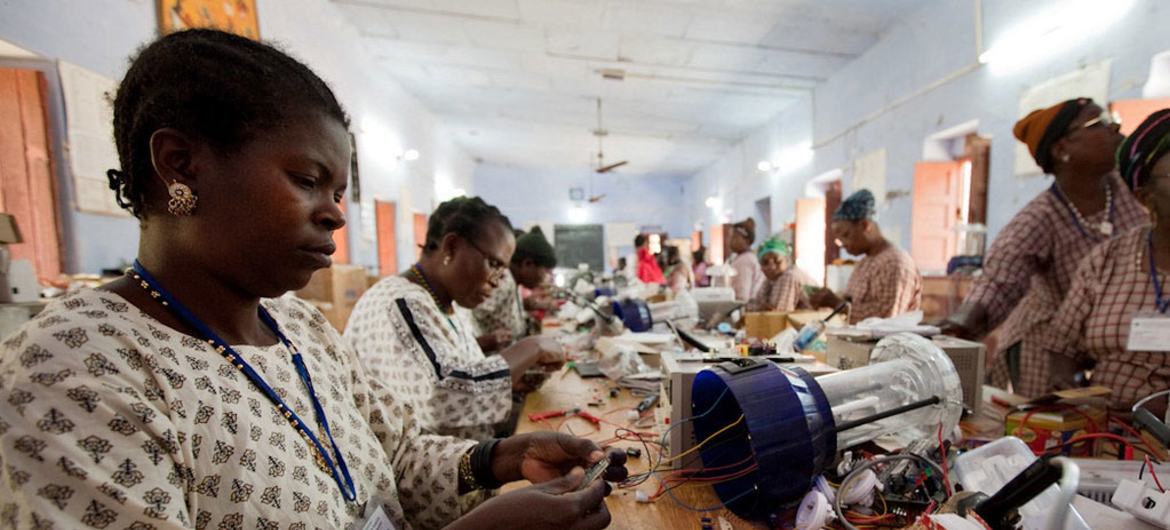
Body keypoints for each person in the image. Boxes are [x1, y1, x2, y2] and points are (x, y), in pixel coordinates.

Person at [0, 29, 625, 530]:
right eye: (307, 180)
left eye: (341, 192)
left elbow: (396, 458)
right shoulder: (77, 365)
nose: (333, 212)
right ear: (179, 164)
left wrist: (498, 458)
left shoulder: (299, 327)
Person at [941, 98, 1147, 397]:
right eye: (1097, 122)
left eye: (1109, 117)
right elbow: (998, 281)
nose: (1114, 125)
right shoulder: (1039, 219)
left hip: (1111, 335)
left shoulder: (1132, 189)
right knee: (1047, 424)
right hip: (1045, 341)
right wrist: (960, 325)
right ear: (1063, 150)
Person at [346, 197, 566, 441]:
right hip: (417, 473)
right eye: (493, 264)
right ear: (451, 247)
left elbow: (457, 368)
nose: (497, 280)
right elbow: (440, 397)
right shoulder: (400, 302)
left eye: (503, 270)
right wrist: (531, 347)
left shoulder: (444, 303)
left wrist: (510, 380)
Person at [1040, 110, 1170, 410]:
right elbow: (1062, 346)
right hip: (1104, 431)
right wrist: (1067, 385)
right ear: (1144, 196)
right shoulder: (1108, 259)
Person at [810, 189, 922, 324]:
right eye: (839, 239)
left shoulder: (894, 263)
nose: (843, 244)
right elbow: (853, 302)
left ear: (865, 225)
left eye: (846, 235)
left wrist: (837, 304)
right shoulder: (864, 262)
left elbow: (886, 320)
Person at [472, 226, 557, 353]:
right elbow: (472, 316)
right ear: (528, 264)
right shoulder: (503, 282)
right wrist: (486, 341)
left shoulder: (514, 282)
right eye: (545, 271)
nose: (546, 278)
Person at [746, 237, 811, 312]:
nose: (772, 267)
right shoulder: (768, 281)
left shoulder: (789, 275)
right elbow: (751, 306)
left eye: (777, 261)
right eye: (765, 262)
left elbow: (777, 313)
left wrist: (761, 308)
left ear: (787, 260)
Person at [727, 218, 764, 301]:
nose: (730, 241)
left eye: (734, 237)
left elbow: (742, 295)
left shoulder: (745, 261)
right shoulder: (747, 257)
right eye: (730, 237)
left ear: (746, 241)